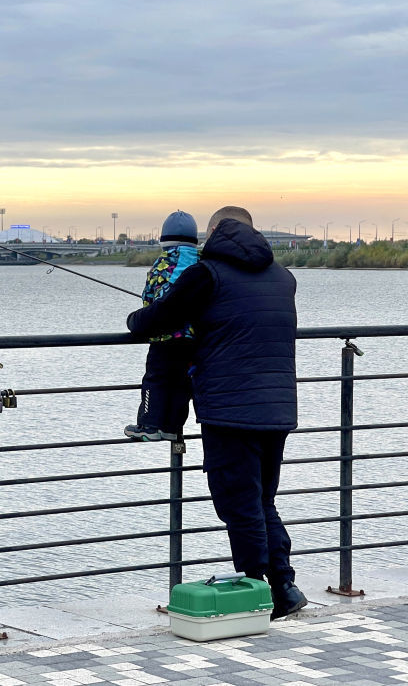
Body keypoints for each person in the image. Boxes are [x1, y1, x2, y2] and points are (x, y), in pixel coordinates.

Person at [126, 205, 306, 620]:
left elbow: (155, 319)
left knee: (238, 503)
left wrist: (136, 316)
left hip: (229, 409)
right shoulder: (284, 277)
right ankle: (284, 583)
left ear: (214, 233)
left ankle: (264, 591)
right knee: (263, 499)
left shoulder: (205, 274)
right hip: (278, 406)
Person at [124, 210, 199, 442]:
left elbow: (151, 298)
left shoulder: (163, 263)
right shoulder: (201, 262)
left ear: (164, 239)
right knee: (182, 384)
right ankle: (172, 427)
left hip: (164, 340)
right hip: (193, 339)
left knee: (155, 379)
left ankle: (148, 425)